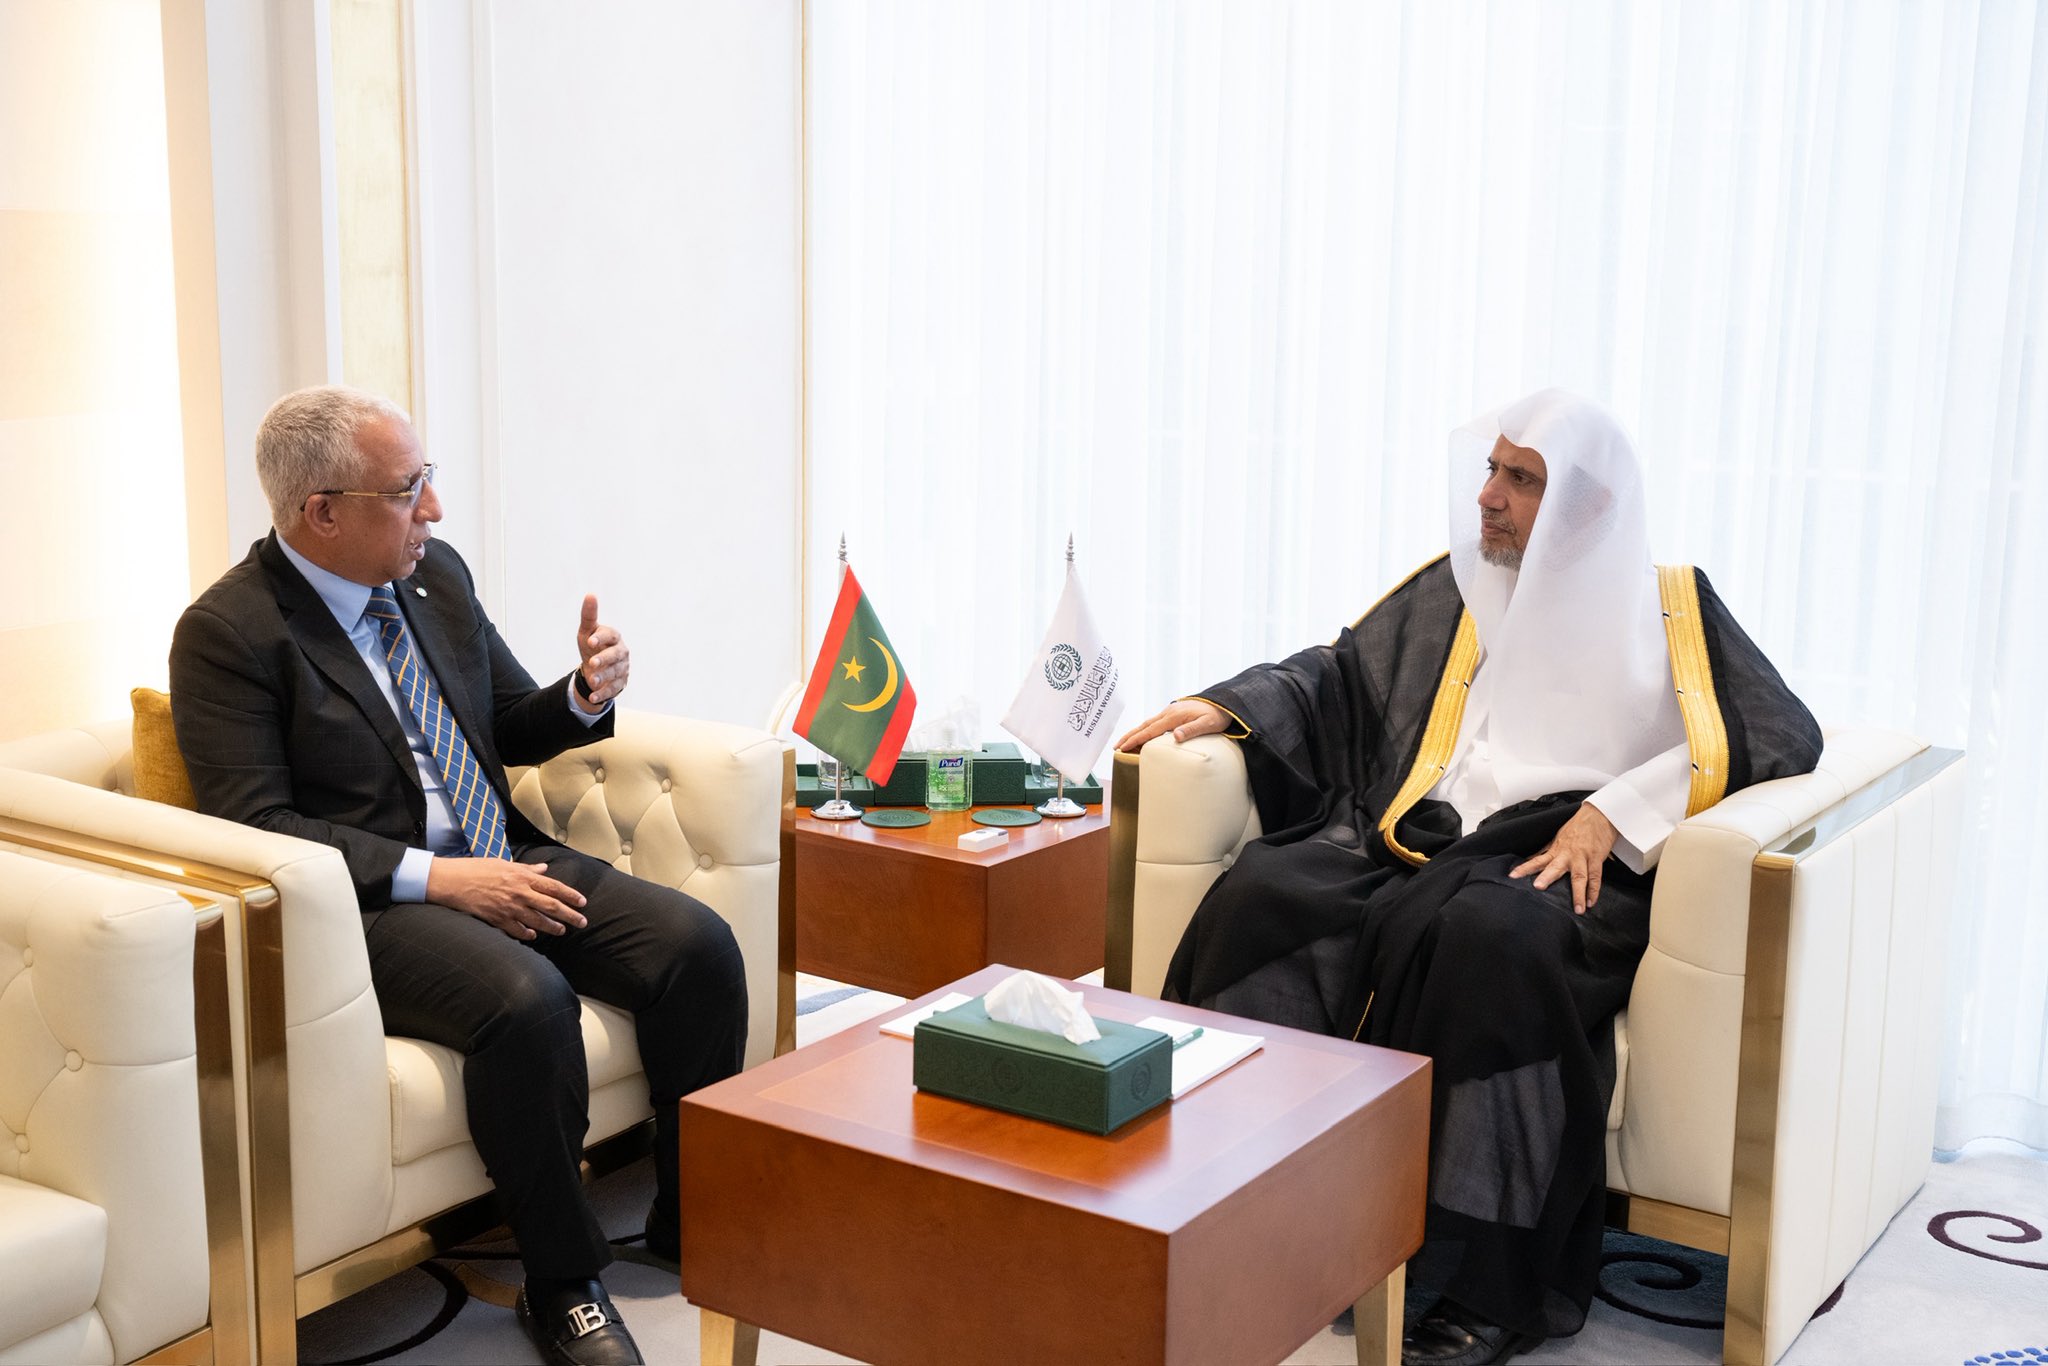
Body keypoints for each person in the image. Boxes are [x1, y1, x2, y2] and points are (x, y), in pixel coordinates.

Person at [1116, 389, 1822, 1366]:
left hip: (1568, 863)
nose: (1486, 496)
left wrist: (1614, 811)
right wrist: (1226, 705)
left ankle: (1470, 1276)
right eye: (1489, 470)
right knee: (1265, 892)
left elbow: (1778, 733)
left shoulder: (1672, 608)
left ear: (1586, 505)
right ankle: (1237, 1198)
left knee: (1488, 943)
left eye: (1519, 479)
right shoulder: (1456, 589)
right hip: (1420, 837)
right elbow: (1339, 677)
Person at [170, 386, 747, 1366]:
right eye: (409, 490)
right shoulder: (230, 635)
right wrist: (443, 881)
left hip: (502, 851)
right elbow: (254, 826)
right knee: (526, 1001)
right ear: (323, 511)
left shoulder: (434, 576)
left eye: (426, 480)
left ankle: (691, 1221)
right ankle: (564, 1284)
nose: (433, 510)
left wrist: (581, 695)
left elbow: (510, 724)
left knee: (697, 946)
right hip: (367, 903)